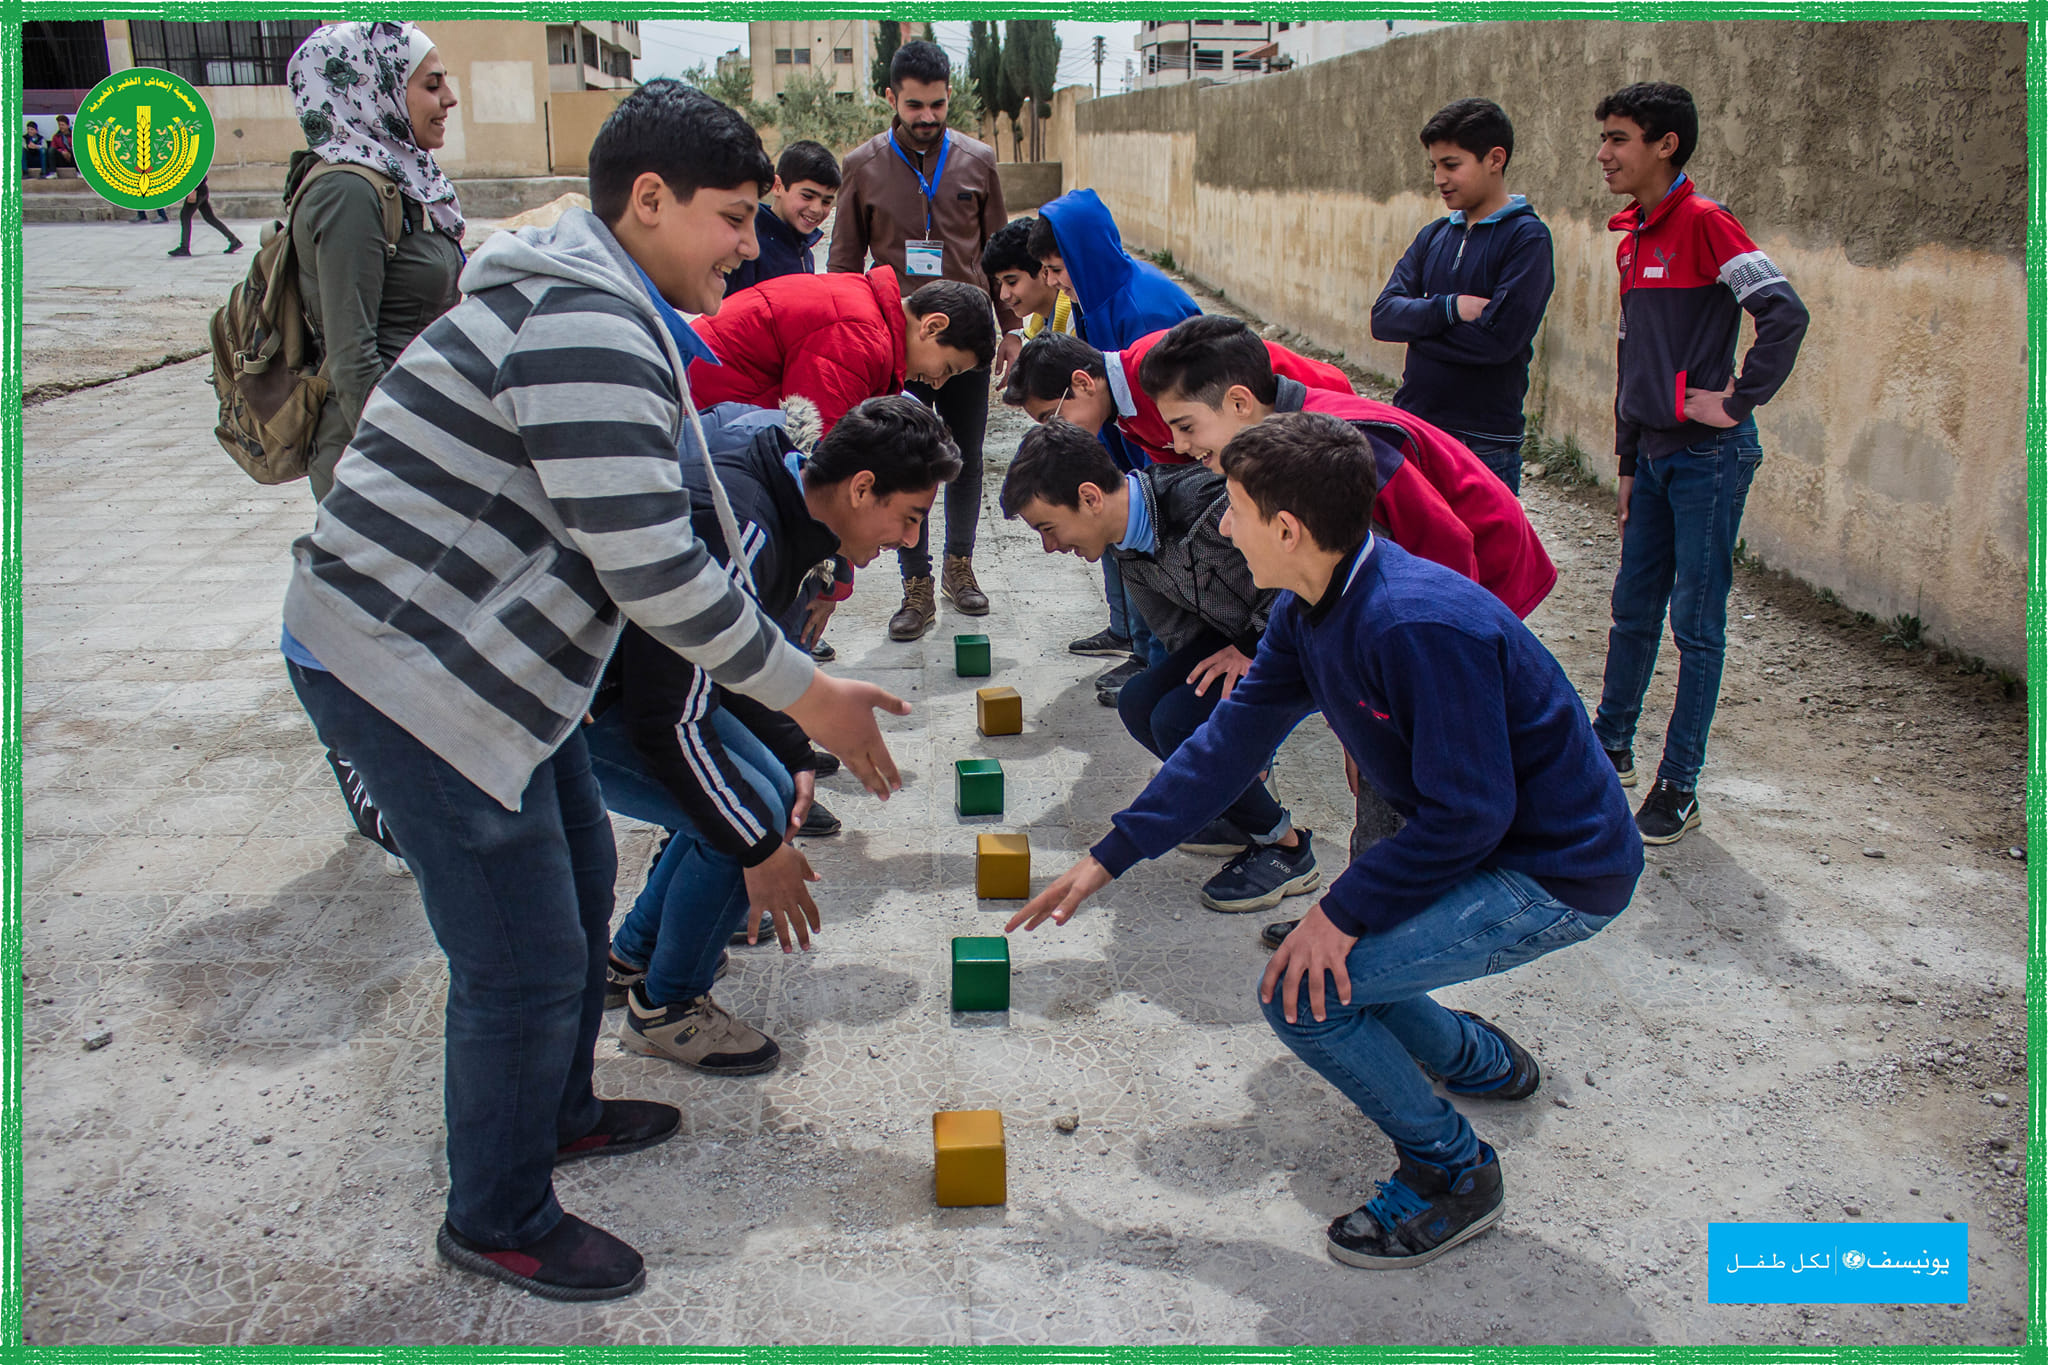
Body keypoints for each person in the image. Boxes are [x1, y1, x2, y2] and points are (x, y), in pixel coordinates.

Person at [280, 78, 911, 1303]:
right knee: (517, 958)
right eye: (732, 217)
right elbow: (653, 568)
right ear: (650, 200)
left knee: (572, 893)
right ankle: (498, 1215)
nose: (748, 245)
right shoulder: (582, 322)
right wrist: (808, 694)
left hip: (495, 664)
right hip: (409, 669)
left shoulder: (608, 305)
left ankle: (558, 1112)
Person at [1009, 411, 1643, 1271]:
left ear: (1286, 530)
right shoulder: (1309, 610)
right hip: (1486, 844)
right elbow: (1227, 744)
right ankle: (1478, 1060)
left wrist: (1338, 911)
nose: (1224, 527)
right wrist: (1108, 856)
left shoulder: (1414, 623)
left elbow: (1469, 815)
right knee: (1339, 961)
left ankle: (1454, 1172)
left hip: (1556, 872)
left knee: (1304, 991)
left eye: (1233, 509)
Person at [1136, 313, 1559, 948]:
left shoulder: (1342, 448)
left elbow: (1448, 558)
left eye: (1188, 426)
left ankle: (1366, 933)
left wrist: (1389, 702)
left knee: (1402, 770)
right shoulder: (1282, 450)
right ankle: (1360, 917)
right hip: (1424, 598)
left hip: (1477, 583)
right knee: (1377, 755)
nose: (1179, 447)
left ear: (1241, 403)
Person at [589, 396, 961, 1069]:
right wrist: (758, 849)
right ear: (861, 487)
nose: (909, 540)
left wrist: (794, 750)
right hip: (583, 703)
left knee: (772, 789)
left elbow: (730, 664)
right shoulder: (742, 530)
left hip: (644, 686)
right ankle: (667, 1009)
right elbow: (664, 714)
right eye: (909, 518)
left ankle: (632, 956)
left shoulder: (788, 484)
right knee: (749, 816)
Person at [1589, 81, 1809, 845]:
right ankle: (1610, 745)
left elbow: (1783, 310)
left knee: (1696, 624)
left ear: (1666, 144)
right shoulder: (1633, 236)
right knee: (1631, 606)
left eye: (1618, 138)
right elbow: (1632, 358)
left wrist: (1739, 400)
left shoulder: (1708, 223)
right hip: (1651, 458)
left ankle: (1679, 784)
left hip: (1708, 458)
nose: (1604, 153)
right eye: (1604, 138)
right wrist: (1627, 461)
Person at [280, 22, 468, 876]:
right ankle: (361, 763)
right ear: (374, 87)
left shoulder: (404, 178)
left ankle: (416, 770)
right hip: (376, 451)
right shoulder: (348, 192)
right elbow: (352, 353)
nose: (448, 99)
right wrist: (401, 466)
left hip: (422, 437)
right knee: (376, 623)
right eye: (430, 83)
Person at [1001, 420, 1320, 913]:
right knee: (1140, 700)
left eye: (1047, 528)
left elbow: (1303, 572)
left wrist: (1252, 651)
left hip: (1300, 635)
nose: (1050, 546)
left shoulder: (1205, 505)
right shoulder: (1125, 544)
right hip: (1239, 637)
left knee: (1178, 720)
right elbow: (1179, 635)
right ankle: (1229, 807)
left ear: (1089, 498)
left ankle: (1287, 849)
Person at [829, 39, 1012, 641]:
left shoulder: (979, 161)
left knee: (965, 458)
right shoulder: (862, 166)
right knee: (906, 459)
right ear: (890, 97)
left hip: (965, 344)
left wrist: (1011, 331)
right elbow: (843, 264)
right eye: (914, 105)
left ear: (950, 95)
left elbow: (999, 256)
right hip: (898, 346)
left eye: (937, 104)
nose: (927, 117)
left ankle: (960, 566)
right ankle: (916, 584)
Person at [1369, 98, 1555, 495]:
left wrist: (1418, 330)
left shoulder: (1527, 239)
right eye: (1434, 166)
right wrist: (1450, 308)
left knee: (1479, 541)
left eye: (1451, 165)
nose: (1439, 178)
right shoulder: (1434, 235)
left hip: (1483, 444)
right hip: (1414, 429)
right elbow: (1383, 318)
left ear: (1495, 159)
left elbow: (1498, 342)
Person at [685, 268, 994, 433]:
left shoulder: (865, 305)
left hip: (700, 399)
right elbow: (819, 453)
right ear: (933, 326)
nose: (938, 383)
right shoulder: (859, 340)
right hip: (690, 412)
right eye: (948, 369)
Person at [1004, 328, 1355, 468]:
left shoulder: (1158, 367)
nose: (1056, 431)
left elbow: (1261, 377)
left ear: (1082, 383)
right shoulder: (1124, 415)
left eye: (1053, 416)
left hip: (1328, 416)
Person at [1028, 190, 1198, 350]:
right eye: (1046, 270)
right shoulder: (1093, 297)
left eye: (1057, 270)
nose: (1050, 281)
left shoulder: (1144, 318)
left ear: (1087, 259)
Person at [724, 138, 838, 296]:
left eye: (826, 202)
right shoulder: (748, 248)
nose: (816, 209)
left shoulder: (803, 249)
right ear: (777, 186)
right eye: (807, 196)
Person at [166, 176, 243, 256]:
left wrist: (193, 189)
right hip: (201, 190)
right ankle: (234, 241)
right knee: (210, 218)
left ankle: (184, 247)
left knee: (185, 216)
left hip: (197, 191)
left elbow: (198, 176)